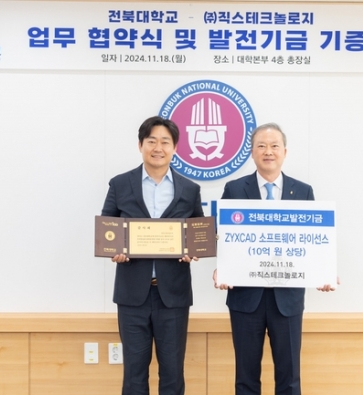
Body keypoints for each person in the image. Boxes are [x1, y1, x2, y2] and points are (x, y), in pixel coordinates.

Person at [213, 122, 339, 395]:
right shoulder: (234, 189)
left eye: (274, 146)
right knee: (245, 378)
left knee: (290, 378)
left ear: (284, 151)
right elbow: (222, 237)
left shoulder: (303, 191)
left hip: (288, 300)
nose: (268, 151)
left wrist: (325, 271)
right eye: (261, 146)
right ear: (252, 152)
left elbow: (313, 241)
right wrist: (221, 269)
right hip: (246, 299)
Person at [101, 116, 204, 395]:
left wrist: (191, 251)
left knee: (172, 372)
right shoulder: (120, 184)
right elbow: (107, 228)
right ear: (140, 145)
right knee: (134, 373)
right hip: (132, 293)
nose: (158, 147)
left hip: (173, 294)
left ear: (175, 148)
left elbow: (198, 233)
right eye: (151, 141)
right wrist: (116, 251)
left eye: (165, 142)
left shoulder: (190, 189)